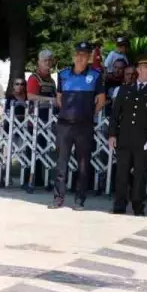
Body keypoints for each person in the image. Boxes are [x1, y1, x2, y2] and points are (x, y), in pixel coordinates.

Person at [49, 41, 107, 210]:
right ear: (74, 56)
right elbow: (59, 98)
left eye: (85, 55)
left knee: (83, 164)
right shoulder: (63, 74)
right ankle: (58, 198)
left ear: (89, 57)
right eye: (79, 55)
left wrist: (89, 114)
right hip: (65, 125)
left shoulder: (96, 76)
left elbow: (101, 100)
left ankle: (80, 200)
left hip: (84, 126)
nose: (81, 58)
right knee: (61, 163)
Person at [108, 55, 147, 216]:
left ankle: (138, 206)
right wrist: (112, 134)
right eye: (146, 68)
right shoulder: (126, 89)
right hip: (125, 137)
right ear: (139, 70)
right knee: (121, 173)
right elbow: (115, 114)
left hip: (143, 140)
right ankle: (119, 204)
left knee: (140, 174)